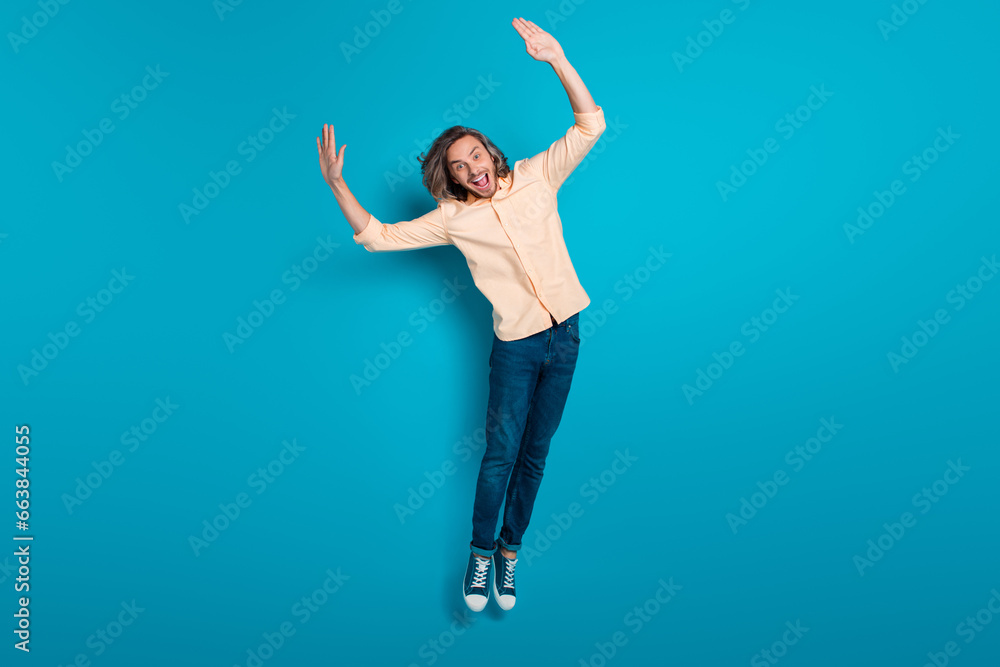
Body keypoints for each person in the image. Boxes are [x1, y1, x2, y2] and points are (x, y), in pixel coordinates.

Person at [316, 17, 606, 612]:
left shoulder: (535, 177)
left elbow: (590, 123)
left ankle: (510, 552)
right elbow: (378, 237)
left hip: (567, 337)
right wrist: (338, 186)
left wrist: (557, 59)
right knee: (500, 454)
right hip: (517, 349)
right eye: (457, 166)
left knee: (537, 454)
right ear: (449, 179)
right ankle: (480, 556)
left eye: (475, 153)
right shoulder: (453, 218)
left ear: (490, 152)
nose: (471, 167)